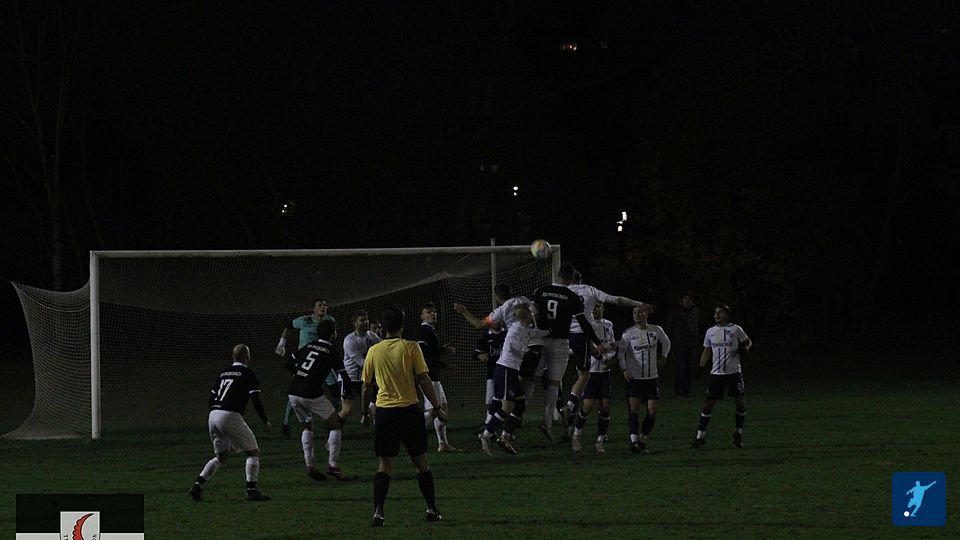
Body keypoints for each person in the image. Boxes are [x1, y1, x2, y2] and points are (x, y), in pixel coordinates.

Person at [361, 306, 446, 527]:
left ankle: (378, 512)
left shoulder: (374, 351)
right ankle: (432, 509)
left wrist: (364, 412)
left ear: (383, 327)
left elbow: (366, 387)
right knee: (421, 463)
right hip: (408, 411)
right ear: (402, 325)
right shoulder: (411, 347)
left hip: (385, 413)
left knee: (384, 465)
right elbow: (424, 379)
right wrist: (437, 406)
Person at [562, 271, 652, 426]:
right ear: (580, 280)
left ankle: (565, 413)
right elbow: (617, 300)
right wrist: (639, 303)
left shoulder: (562, 291)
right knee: (584, 375)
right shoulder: (590, 290)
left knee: (556, 377)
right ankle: (568, 408)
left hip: (562, 336)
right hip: (581, 336)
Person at [530, 263, 605, 440]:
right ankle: (548, 421)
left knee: (532, 379)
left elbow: (531, 313)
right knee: (555, 383)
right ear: (571, 279)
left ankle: (511, 422)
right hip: (560, 342)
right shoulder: (572, 296)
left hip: (540, 340)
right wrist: (597, 342)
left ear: (557, 275)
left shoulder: (540, 291)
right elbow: (584, 323)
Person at [189, 344, 271, 502]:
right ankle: (252, 491)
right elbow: (255, 399)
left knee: (221, 457)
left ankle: (198, 485)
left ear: (233, 357)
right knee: (253, 453)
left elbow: (211, 398)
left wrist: (216, 414)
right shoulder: (248, 373)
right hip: (229, 415)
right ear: (247, 357)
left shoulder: (224, 372)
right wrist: (265, 420)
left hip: (213, 415)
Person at [285, 319, 355, 481]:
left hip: (293, 391)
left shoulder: (308, 346)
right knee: (335, 424)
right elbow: (344, 376)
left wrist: (300, 374)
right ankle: (333, 465)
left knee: (307, 426)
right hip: (310, 392)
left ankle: (309, 465)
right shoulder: (331, 351)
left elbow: (288, 363)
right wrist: (347, 394)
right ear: (333, 334)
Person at [477, 302, 538, 456]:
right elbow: (512, 347)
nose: (534, 315)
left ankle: (505, 437)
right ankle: (486, 435)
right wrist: (526, 351)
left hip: (511, 370)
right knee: (507, 406)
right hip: (505, 369)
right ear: (526, 316)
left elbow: (537, 334)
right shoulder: (516, 329)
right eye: (531, 313)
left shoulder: (524, 329)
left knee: (520, 405)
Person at [691, 304, 752, 449]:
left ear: (727, 315)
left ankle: (738, 433)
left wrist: (746, 349)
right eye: (715, 313)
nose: (717, 315)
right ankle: (700, 436)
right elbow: (707, 350)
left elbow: (748, 342)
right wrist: (701, 367)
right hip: (717, 374)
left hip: (734, 373)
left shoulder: (735, 329)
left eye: (720, 312)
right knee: (708, 404)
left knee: (740, 403)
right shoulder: (710, 331)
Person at [275, 299, 337, 438]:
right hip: (305, 363)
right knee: (296, 392)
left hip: (322, 363)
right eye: (320, 305)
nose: (323, 307)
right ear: (314, 309)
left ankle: (329, 422)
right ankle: (286, 423)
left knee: (336, 392)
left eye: (325, 305)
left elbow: (333, 335)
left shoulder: (330, 320)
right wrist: (281, 344)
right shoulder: (304, 321)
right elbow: (289, 326)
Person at [618, 305, 671, 454]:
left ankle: (643, 439)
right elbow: (621, 353)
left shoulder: (656, 330)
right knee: (633, 409)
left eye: (639, 312)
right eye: (634, 312)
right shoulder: (628, 333)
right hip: (634, 378)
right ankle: (633, 442)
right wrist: (624, 370)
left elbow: (666, 342)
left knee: (652, 411)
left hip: (651, 378)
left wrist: (664, 356)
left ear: (646, 314)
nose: (636, 315)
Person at [570, 303, 620, 453]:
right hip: (590, 371)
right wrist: (598, 354)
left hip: (604, 371)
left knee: (605, 405)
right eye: (593, 306)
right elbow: (585, 346)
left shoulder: (608, 325)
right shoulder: (586, 325)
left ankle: (600, 440)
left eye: (598, 306)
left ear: (603, 308)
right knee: (587, 405)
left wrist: (610, 354)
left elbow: (612, 345)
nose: (595, 309)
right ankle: (576, 435)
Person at [417, 301, 461, 452]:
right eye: (428, 312)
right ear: (422, 316)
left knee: (443, 407)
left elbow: (432, 356)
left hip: (433, 375)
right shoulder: (425, 331)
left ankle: (443, 443)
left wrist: (445, 364)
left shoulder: (430, 331)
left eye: (434, 311)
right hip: (428, 377)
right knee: (436, 410)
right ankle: (411, 431)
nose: (433, 314)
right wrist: (442, 350)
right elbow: (423, 351)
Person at [343, 310, 381, 423]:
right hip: (350, 379)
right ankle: (334, 429)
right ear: (355, 323)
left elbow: (382, 351)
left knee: (379, 403)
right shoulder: (349, 340)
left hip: (365, 377)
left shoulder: (372, 336)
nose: (366, 322)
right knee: (347, 410)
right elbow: (362, 363)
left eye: (367, 319)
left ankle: (377, 425)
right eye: (362, 320)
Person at [665, 292, 699, 397]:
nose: (688, 301)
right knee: (681, 367)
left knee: (689, 368)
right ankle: (678, 390)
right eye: (686, 299)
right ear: (681, 301)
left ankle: (686, 391)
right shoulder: (676, 311)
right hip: (679, 344)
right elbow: (669, 326)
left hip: (692, 344)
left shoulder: (694, 311)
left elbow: (695, 325)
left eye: (690, 299)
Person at [473, 326, 504, 430]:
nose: (496, 322)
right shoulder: (485, 337)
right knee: (491, 400)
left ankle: (501, 424)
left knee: (507, 399)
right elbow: (475, 353)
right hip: (492, 374)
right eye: (494, 320)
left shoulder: (507, 333)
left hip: (507, 372)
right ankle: (489, 422)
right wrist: (479, 356)